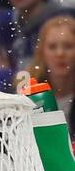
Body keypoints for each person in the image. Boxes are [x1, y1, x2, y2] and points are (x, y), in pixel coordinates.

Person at [26, 14, 75, 142]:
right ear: (42, 52)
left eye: (68, 46)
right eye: (52, 47)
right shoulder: (28, 95)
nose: (60, 53)